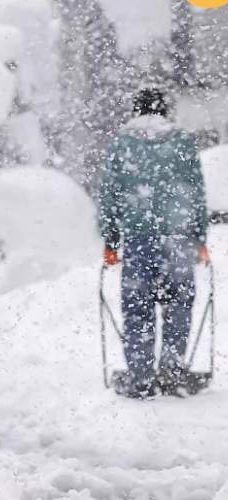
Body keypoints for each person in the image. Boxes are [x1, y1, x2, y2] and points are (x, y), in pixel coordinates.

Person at [98, 88, 209, 399]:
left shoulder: (122, 145)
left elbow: (110, 194)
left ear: (137, 111)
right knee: (178, 306)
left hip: (139, 239)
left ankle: (141, 378)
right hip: (178, 239)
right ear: (165, 111)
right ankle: (173, 373)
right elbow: (195, 193)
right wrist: (199, 238)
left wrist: (110, 240)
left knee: (137, 309)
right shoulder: (183, 142)